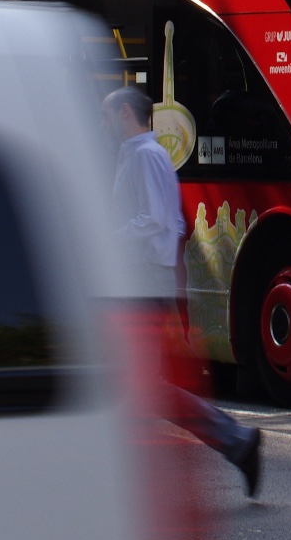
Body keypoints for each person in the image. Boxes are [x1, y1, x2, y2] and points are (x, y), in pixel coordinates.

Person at [104, 87, 263, 495]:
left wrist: (108, 237)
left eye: (108, 116)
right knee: (134, 385)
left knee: (137, 385)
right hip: (142, 281)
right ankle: (234, 443)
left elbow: (154, 219)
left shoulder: (144, 155)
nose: (104, 125)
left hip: (142, 283)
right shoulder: (141, 154)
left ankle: (235, 442)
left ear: (124, 113)